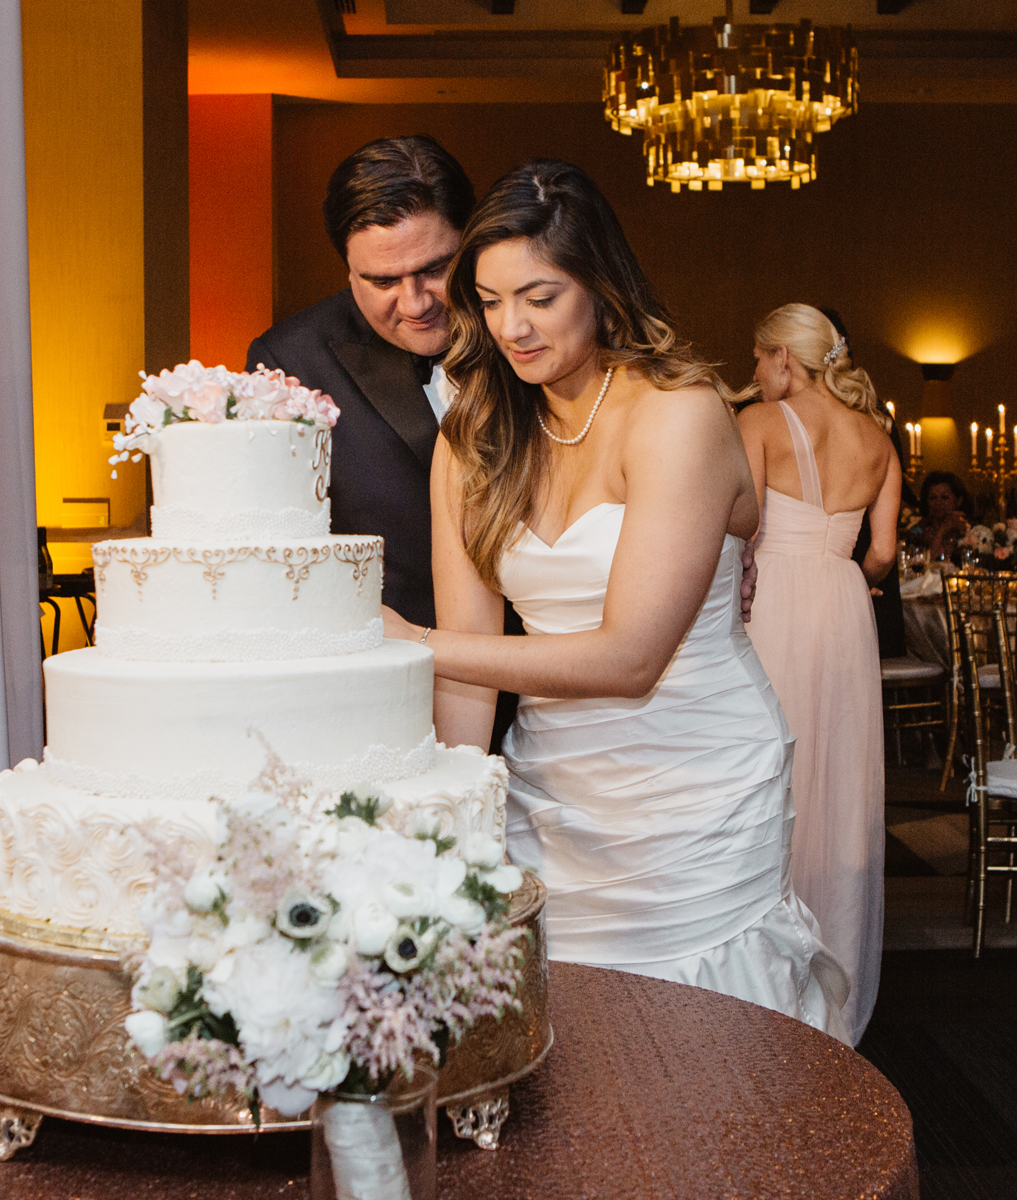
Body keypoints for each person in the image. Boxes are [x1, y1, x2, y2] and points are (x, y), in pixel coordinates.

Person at [378, 159, 850, 1043]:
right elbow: (471, 674)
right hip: (553, 793)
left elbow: (631, 657)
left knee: (700, 1050)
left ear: (598, 282)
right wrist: (449, 823)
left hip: (695, 780)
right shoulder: (473, 437)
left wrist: (410, 641)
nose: (511, 327)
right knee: (567, 1050)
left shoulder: (679, 414)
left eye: (539, 297)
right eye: (488, 300)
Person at [738, 303, 899, 1043]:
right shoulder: (879, 440)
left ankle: (772, 980)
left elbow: (734, 528)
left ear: (783, 359)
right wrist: (842, 566)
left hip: (776, 599)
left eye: (759, 361)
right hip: (843, 605)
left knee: (775, 771)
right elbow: (885, 557)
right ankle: (839, 975)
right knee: (838, 780)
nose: (755, 375)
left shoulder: (764, 424)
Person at [246, 136, 474, 630]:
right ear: (347, 272)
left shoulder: (530, 336)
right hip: (386, 672)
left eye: (435, 269)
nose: (416, 304)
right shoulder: (291, 362)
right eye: (383, 281)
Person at [909, 470, 972, 560]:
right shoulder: (918, 530)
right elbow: (922, 562)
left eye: (944, 497)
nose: (938, 503)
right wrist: (941, 531)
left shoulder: (969, 529)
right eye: (933, 498)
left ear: (958, 501)